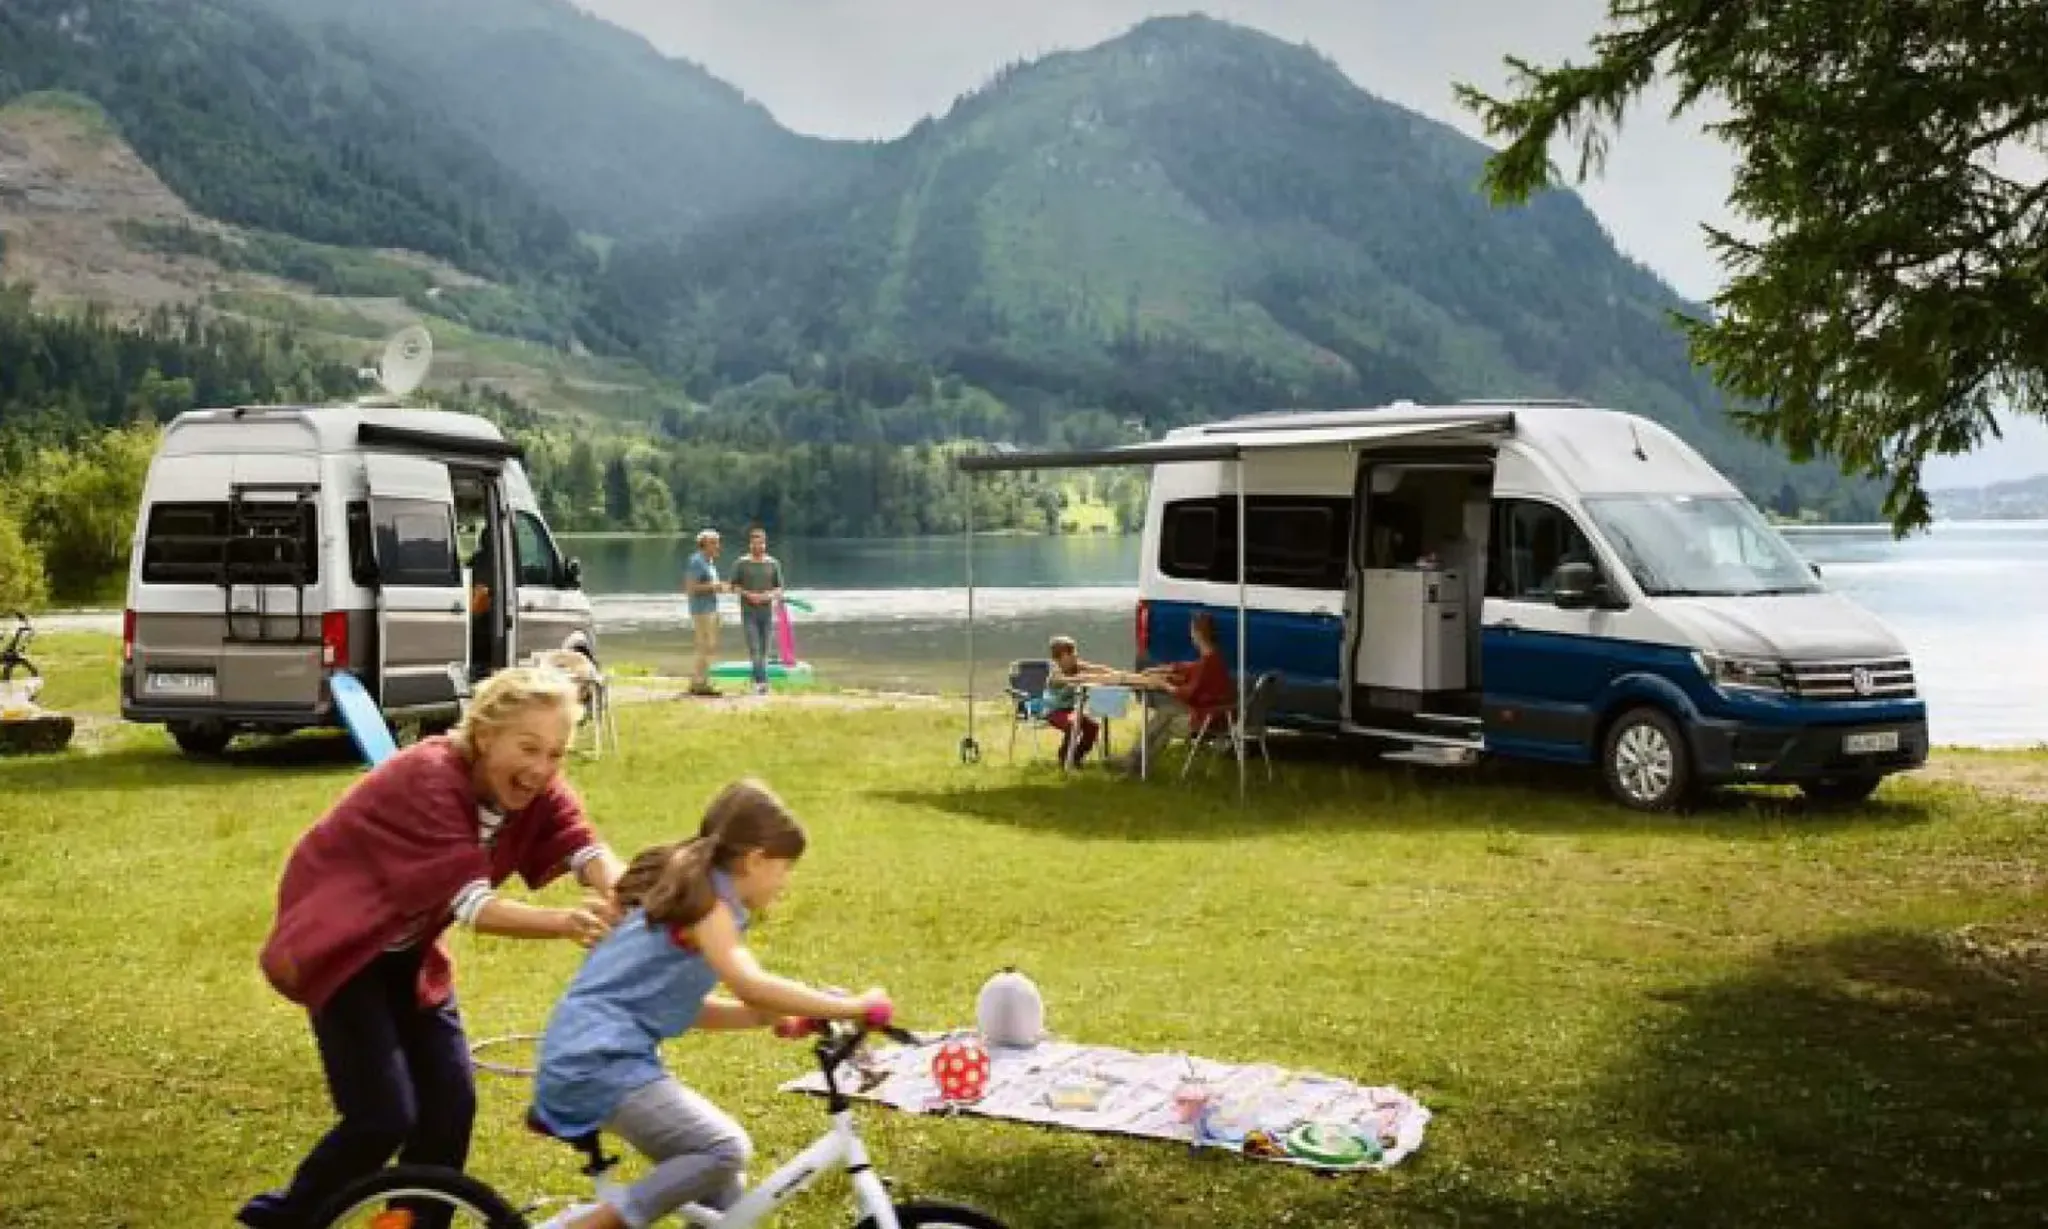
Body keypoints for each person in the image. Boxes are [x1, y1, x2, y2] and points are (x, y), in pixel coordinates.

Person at [238, 667, 629, 1229]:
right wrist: (567, 921)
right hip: (342, 952)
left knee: (450, 1105)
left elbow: (582, 844)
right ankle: (285, 1219)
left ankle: (417, 1224)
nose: (542, 768)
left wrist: (629, 900)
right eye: (528, 748)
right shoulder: (430, 778)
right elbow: (472, 906)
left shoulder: (534, 786)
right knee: (383, 1115)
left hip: (408, 955)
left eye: (556, 753)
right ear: (486, 733)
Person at [528, 779, 890, 1229]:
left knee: (726, 1201)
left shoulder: (695, 894)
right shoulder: (708, 907)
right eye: (785, 868)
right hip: (598, 1063)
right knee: (724, 1149)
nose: (786, 881)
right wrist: (855, 1006)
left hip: (593, 1057)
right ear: (756, 859)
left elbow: (685, 1005)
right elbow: (750, 982)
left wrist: (772, 1017)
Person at [1124, 610, 1236, 773]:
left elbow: (1186, 693)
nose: (1190, 633)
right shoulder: (1213, 657)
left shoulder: (1209, 663)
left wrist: (1162, 683)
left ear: (1198, 633)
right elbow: (1189, 669)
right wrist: (1161, 670)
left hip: (1208, 720)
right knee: (1166, 712)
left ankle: (1135, 763)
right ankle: (1137, 764)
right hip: (1213, 713)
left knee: (1165, 721)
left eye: (1191, 629)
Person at [728, 525, 786, 697]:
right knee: (755, 649)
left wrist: (768, 596)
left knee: (765, 650)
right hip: (748, 612)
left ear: (765, 544)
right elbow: (733, 586)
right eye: (755, 544)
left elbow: (780, 588)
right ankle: (762, 684)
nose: (758, 547)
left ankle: (758, 682)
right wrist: (749, 595)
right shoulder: (741, 563)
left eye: (761, 544)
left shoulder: (773, 564)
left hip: (766, 612)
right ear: (750, 545)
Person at [1044, 634, 1116, 766]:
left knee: (1093, 727)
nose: (1075, 655)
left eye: (1074, 651)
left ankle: (1076, 757)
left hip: (1072, 710)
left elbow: (1099, 669)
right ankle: (1064, 758)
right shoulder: (1056, 672)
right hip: (1054, 711)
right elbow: (1070, 681)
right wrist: (1086, 677)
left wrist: (1116, 675)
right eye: (1070, 653)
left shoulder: (1076, 666)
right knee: (1073, 725)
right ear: (1059, 658)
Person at [683, 529, 727, 697]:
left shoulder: (709, 562)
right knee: (705, 646)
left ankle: (701, 681)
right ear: (704, 544)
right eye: (714, 543)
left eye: (718, 542)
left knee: (710, 647)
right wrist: (714, 587)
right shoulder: (696, 561)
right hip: (701, 611)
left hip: (711, 609)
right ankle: (699, 683)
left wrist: (720, 587)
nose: (718, 546)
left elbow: (708, 586)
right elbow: (690, 588)